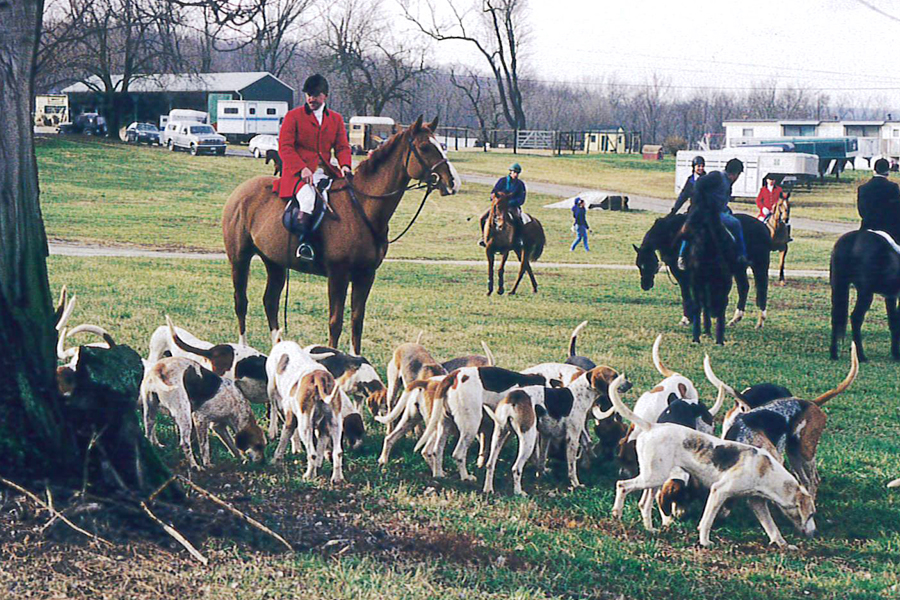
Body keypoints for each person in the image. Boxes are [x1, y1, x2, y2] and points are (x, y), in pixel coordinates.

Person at [275, 74, 352, 260]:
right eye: (308, 94)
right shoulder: (293, 116)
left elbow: (342, 146)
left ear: (325, 96)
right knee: (309, 200)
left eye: (315, 95)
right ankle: (304, 244)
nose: (311, 98)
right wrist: (301, 168)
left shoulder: (335, 119)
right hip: (296, 174)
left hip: (324, 172)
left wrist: (345, 165)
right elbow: (285, 146)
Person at [677, 158, 748, 270]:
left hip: (719, 210)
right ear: (735, 174)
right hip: (709, 212)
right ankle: (741, 254)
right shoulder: (717, 176)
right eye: (738, 175)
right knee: (736, 224)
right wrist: (702, 202)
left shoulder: (727, 182)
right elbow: (699, 183)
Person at [479, 163, 527, 247]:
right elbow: (493, 192)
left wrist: (510, 203)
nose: (515, 174)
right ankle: (484, 237)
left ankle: (518, 239)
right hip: (499, 205)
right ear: (510, 172)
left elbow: (521, 199)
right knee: (482, 217)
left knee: (518, 220)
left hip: (512, 207)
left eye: (517, 173)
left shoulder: (520, 184)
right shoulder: (502, 181)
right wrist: (495, 198)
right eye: (514, 172)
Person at [857, 157, 900, 243]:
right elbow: (897, 210)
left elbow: (861, 211)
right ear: (888, 171)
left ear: (874, 170)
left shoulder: (863, 188)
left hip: (868, 226)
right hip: (889, 228)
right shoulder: (893, 188)